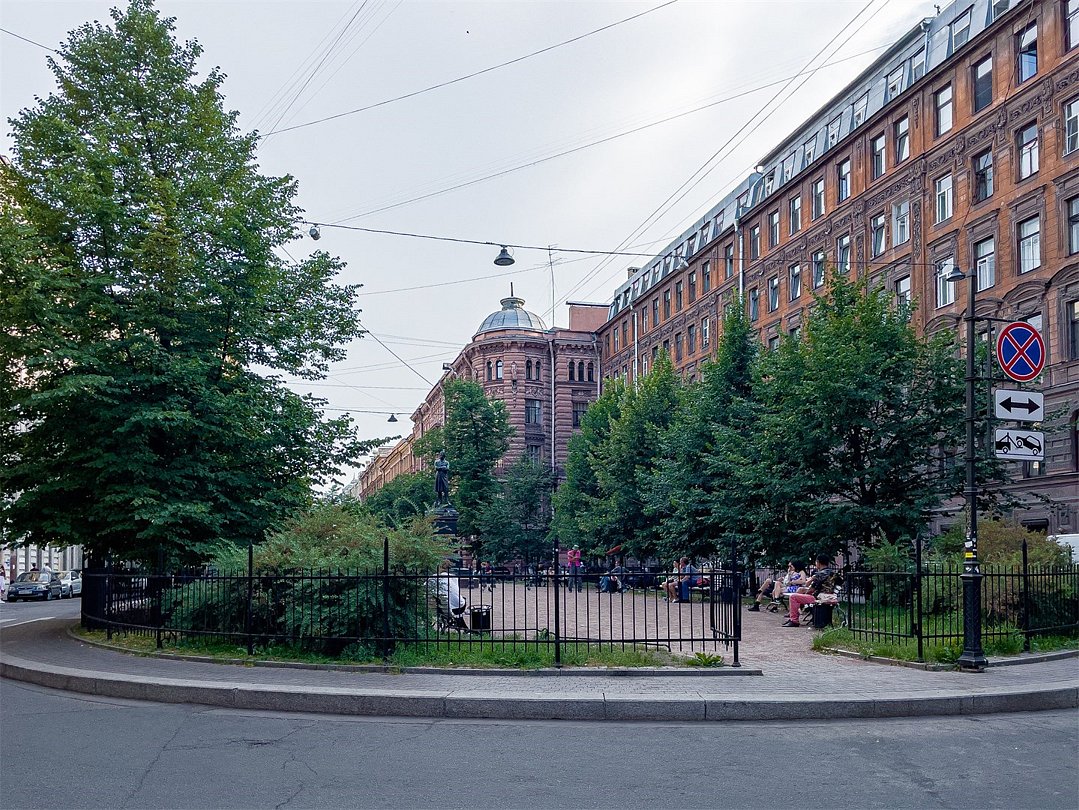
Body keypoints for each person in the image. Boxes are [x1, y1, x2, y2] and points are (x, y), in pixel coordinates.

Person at [784, 554, 836, 627]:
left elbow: (811, 589)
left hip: (819, 598)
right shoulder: (833, 573)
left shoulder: (819, 574)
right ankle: (798, 613)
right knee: (800, 593)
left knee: (793, 597)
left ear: (818, 562)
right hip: (831, 597)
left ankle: (794, 620)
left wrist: (807, 589)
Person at [429, 560, 468, 631]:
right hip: (456, 608)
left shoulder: (432, 578)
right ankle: (463, 627)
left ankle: (463, 627)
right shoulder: (453, 578)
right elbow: (456, 592)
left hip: (439, 608)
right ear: (450, 568)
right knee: (462, 601)